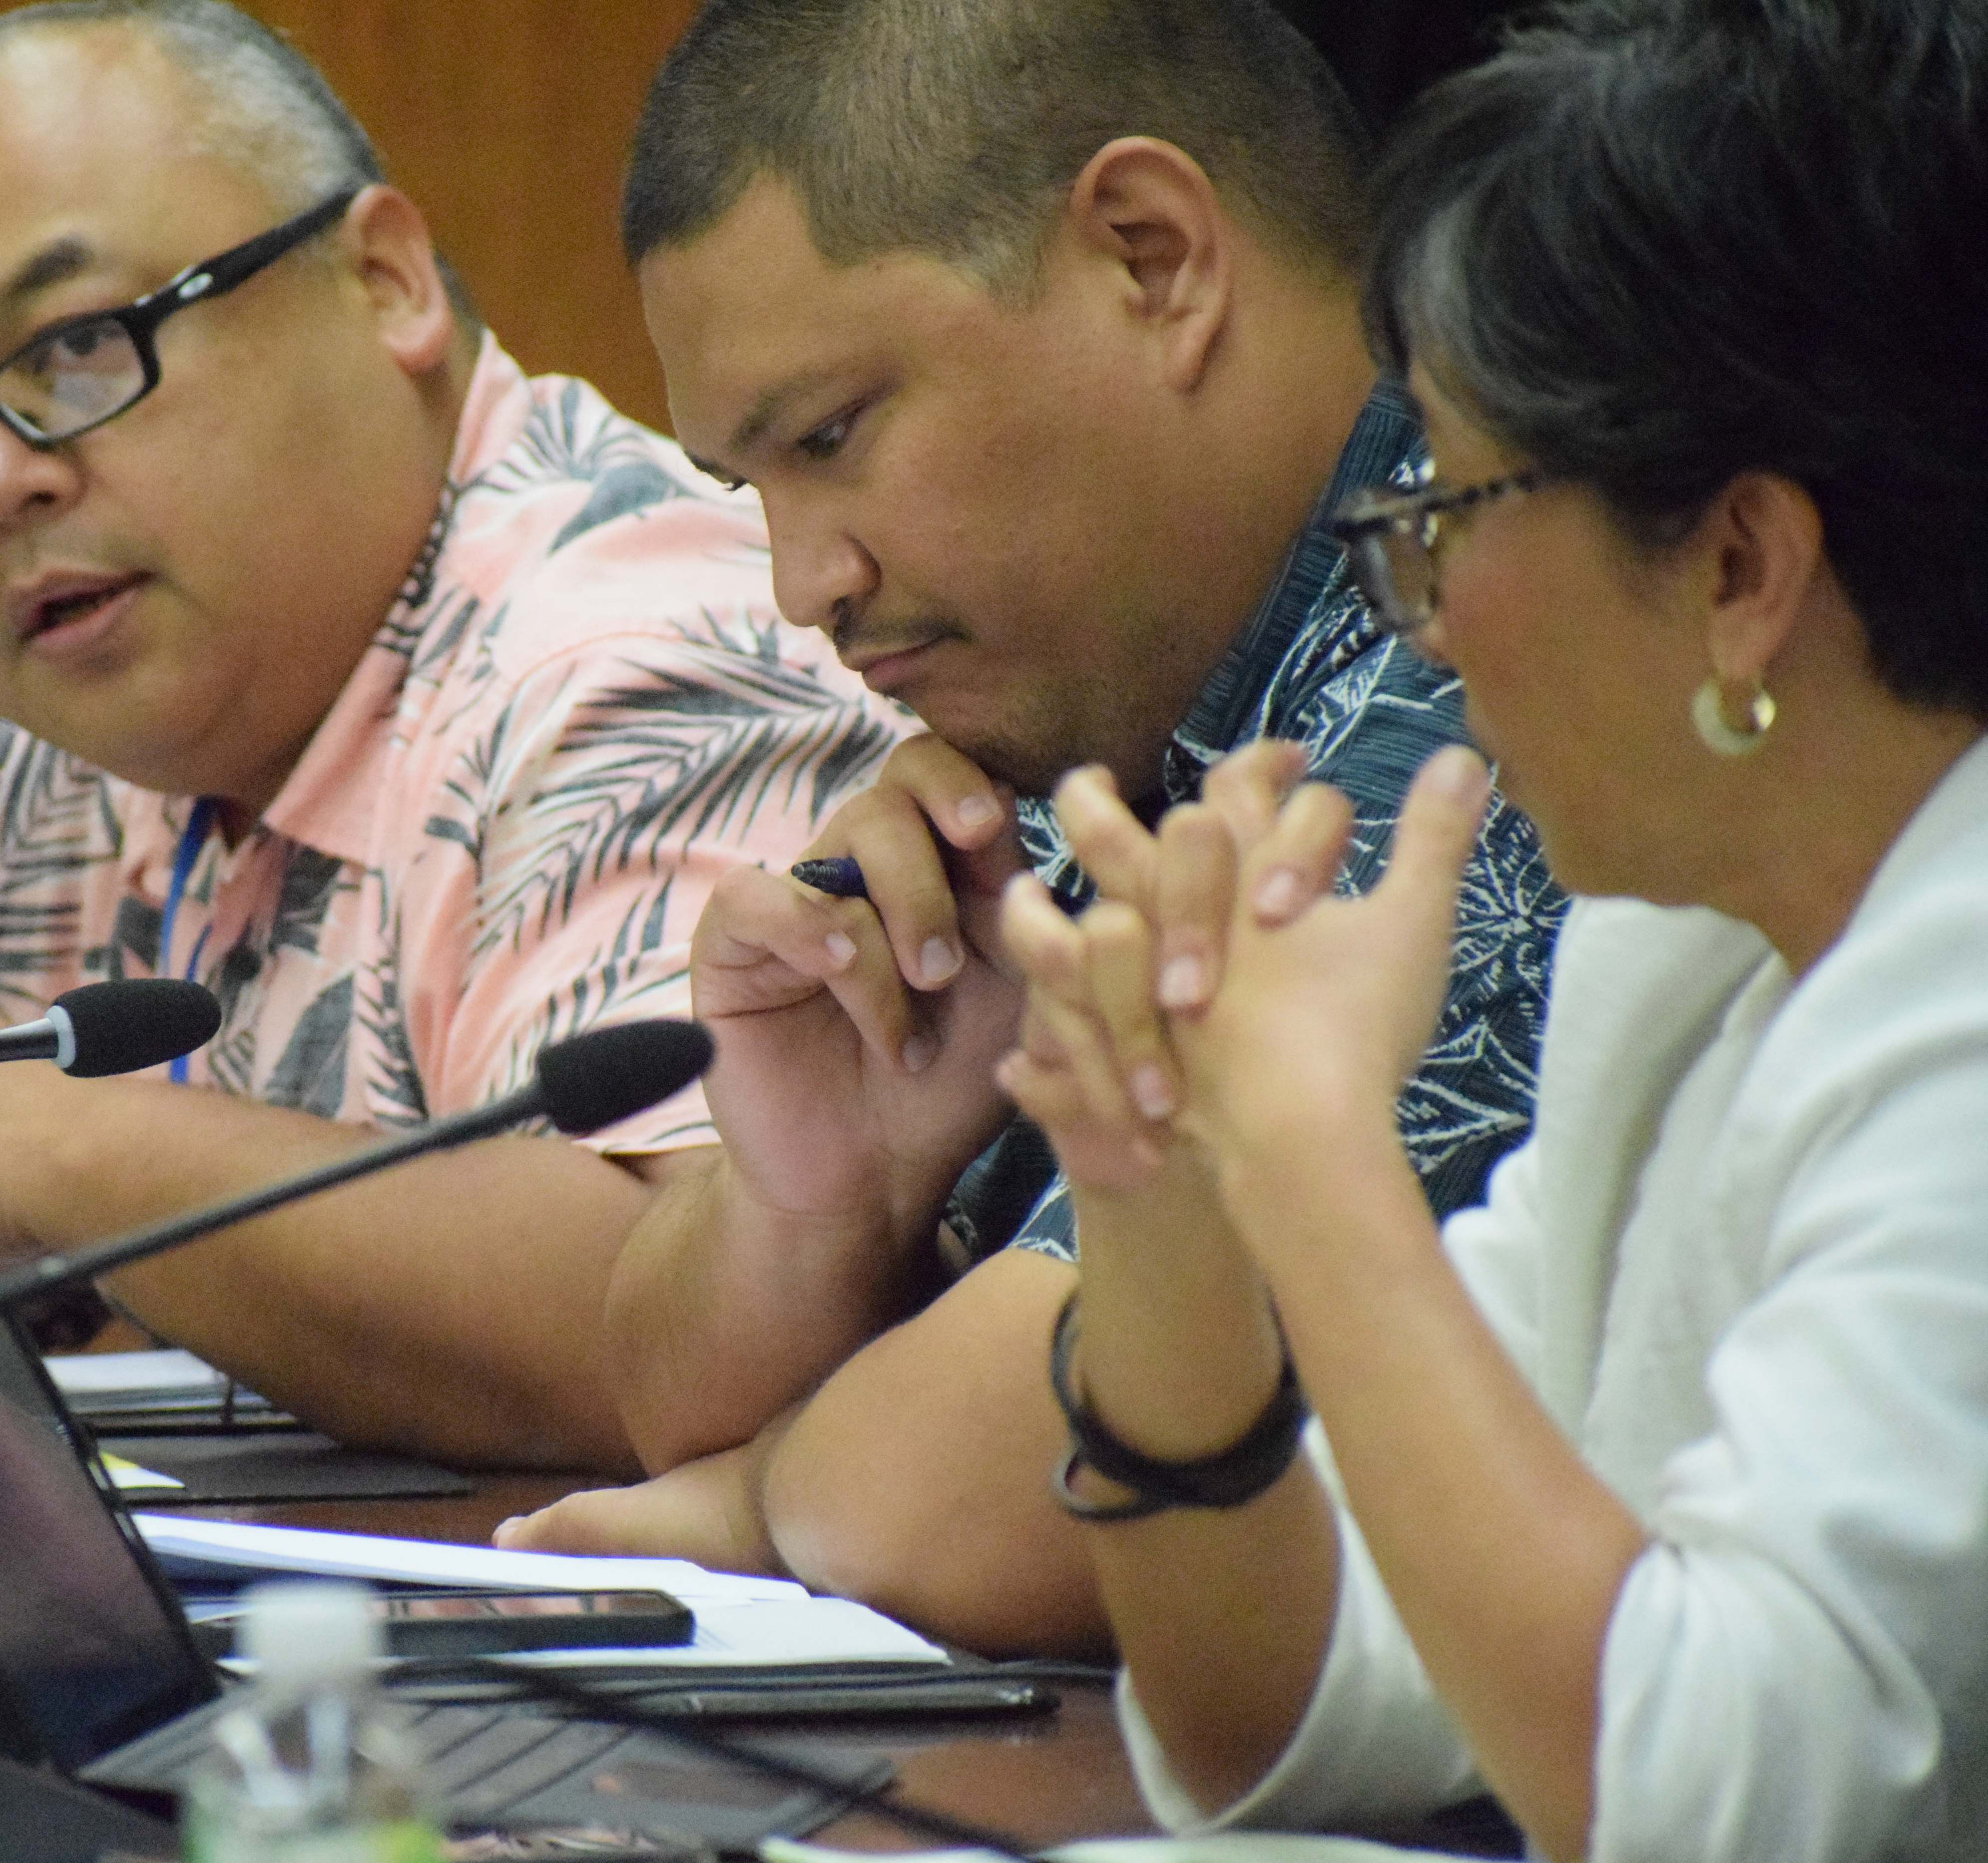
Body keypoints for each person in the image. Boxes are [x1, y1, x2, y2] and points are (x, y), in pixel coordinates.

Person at [0, 0, 909, 1468]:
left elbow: (675, 1328)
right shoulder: (101, 752)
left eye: (73, 351)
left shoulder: (645, 657)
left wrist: (50, 1146)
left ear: (383, 282)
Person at [990, 1, 1988, 1863]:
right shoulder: (1684, 948)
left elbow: (1686, 1806)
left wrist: (1315, 1158)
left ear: (1740, 565)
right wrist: (1163, 1195)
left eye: (1445, 511)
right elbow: (1298, 1709)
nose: (1423, 621)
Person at [501, 0, 1563, 1656]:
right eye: (755, 486)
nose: (804, 585)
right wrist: (835, 1201)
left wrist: (760, 1495)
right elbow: (673, 1391)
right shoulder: (1149, 688)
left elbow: (958, 1503)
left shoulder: (1502, 627)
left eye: (834, 436)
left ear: (1153, 261)